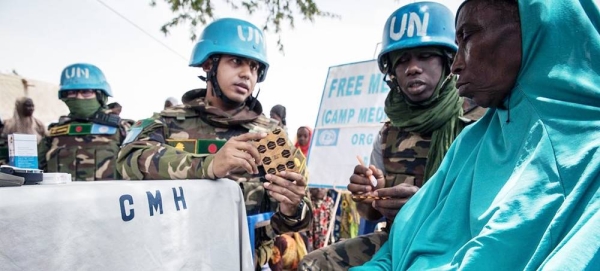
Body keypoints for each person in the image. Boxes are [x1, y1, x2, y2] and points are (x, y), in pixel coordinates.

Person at [351, 0, 600, 270]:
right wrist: (374, 198)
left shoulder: (584, 157)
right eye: (402, 61)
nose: (458, 64)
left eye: (467, 37)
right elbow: (400, 246)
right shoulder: (471, 141)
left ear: (533, 28)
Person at [299, 2, 485, 270]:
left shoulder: (480, 120)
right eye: (403, 60)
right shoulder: (388, 133)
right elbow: (371, 214)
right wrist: (372, 194)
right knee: (313, 264)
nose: (412, 68)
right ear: (392, 72)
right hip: (398, 240)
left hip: (462, 244)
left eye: (424, 56)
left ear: (448, 61)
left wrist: (424, 204)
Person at [116, 18, 312, 270]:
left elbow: (299, 219)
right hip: (175, 260)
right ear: (209, 63)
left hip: (247, 261)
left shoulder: (270, 135)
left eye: (254, 67)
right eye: (236, 62)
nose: (246, 73)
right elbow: (127, 160)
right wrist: (209, 165)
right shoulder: (168, 122)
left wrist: (291, 208)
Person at [38, 63, 130, 181]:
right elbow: (35, 172)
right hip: (61, 198)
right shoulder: (53, 133)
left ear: (100, 95)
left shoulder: (122, 129)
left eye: (86, 92)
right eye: (71, 93)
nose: (79, 97)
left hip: (107, 198)